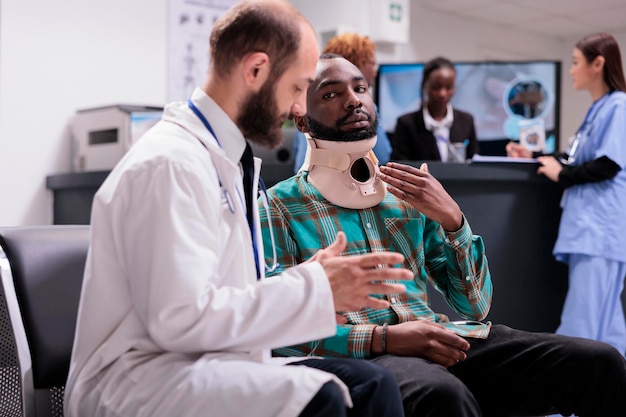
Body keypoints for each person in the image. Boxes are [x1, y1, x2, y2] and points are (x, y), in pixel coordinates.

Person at [64, 2, 413, 417]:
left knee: (371, 384)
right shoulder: (171, 164)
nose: (300, 109)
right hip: (137, 380)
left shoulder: (226, 160)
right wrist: (313, 290)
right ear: (256, 71)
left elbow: (219, 298)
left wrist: (309, 280)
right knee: (323, 399)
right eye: (298, 87)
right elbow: (180, 318)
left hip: (199, 362)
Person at [259, 54, 626, 417]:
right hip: (371, 352)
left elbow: (476, 307)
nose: (354, 99)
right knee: (442, 395)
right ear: (302, 117)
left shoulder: (406, 194)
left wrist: (453, 219)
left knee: (599, 360)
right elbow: (278, 323)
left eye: (360, 88)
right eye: (330, 94)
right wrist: (383, 339)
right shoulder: (277, 205)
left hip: (442, 336)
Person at [506, 33, 626, 356]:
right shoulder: (599, 109)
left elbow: (609, 163)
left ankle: (565, 402)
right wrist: (534, 157)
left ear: (598, 63)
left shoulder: (618, 105)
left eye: (575, 63)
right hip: (592, 233)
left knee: (581, 325)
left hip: (599, 232)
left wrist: (562, 174)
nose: (571, 70)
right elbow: (576, 159)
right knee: (608, 326)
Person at [292, 32, 391, 173]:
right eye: (372, 64)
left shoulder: (308, 107)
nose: (374, 72)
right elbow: (383, 156)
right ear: (357, 62)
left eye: (360, 89)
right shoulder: (363, 110)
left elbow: (298, 163)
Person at [390, 56, 478, 162]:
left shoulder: (466, 121)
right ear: (424, 86)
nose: (442, 94)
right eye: (436, 87)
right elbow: (399, 165)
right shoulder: (407, 124)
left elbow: (475, 163)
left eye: (448, 87)